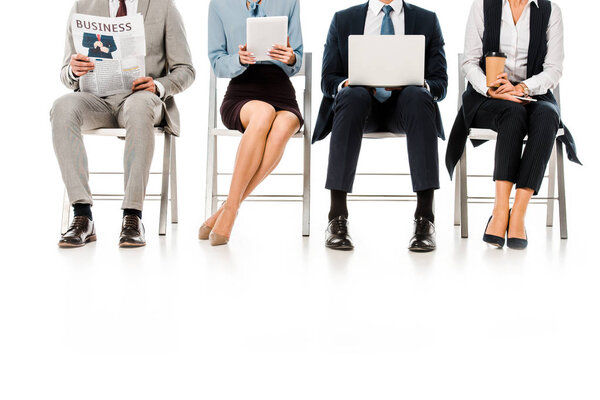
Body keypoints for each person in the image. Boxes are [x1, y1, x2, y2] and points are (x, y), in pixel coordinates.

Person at [51, 0, 195, 248]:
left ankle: (133, 216)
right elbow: (66, 72)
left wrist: (158, 86)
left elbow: (186, 70)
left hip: (141, 98)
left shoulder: (164, 6)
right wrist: (74, 71)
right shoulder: (81, 6)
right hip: (97, 99)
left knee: (140, 107)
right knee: (62, 107)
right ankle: (82, 215)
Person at [313, 0, 448, 252]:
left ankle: (425, 219)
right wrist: (349, 83)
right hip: (361, 108)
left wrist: (419, 83)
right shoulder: (343, 20)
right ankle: (337, 217)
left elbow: (440, 83)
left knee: (420, 96)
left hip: (406, 107)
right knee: (350, 95)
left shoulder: (427, 20)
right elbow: (327, 80)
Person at [445, 0, 580, 249]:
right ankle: (499, 211)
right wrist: (490, 88)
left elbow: (553, 70)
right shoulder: (483, 6)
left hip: (533, 93)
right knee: (513, 112)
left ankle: (517, 213)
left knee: (549, 116)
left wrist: (522, 87)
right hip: (488, 97)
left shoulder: (551, 12)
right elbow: (470, 63)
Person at [202, 0, 304, 246]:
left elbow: (298, 57)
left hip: (281, 91)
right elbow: (216, 63)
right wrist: (238, 59)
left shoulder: (289, 2)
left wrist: (290, 58)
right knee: (263, 113)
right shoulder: (219, 4)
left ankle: (228, 207)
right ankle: (231, 211)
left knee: (281, 128)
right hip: (242, 90)